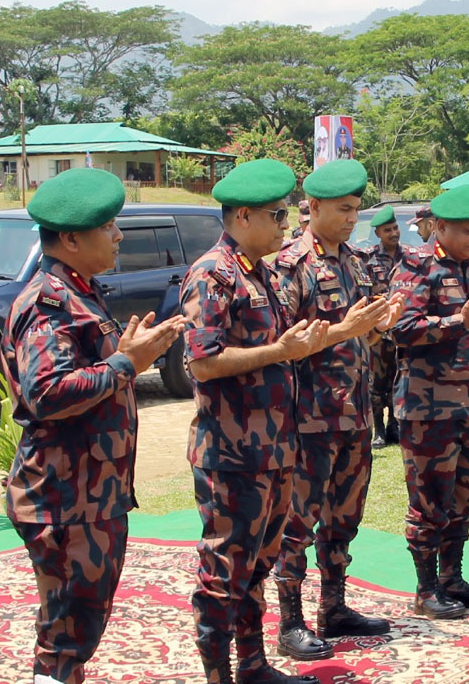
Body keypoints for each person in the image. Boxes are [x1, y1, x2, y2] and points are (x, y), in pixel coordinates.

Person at [2, 168, 185, 684]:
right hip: (63, 497)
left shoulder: (80, 290)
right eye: (107, 227)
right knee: (65, 633)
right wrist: (126, 364)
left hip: (88, 492)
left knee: (75, 630)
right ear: (71, 238)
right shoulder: (49, 303)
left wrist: (131, 353)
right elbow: (46, 393)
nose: (119, 235)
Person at [180, 158, 329, 684]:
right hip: (231, 454)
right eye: (276, 215)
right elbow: (202, 361)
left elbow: (285, 348)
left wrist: (331, 335)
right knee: (224, 573)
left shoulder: (259, 272)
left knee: (257, 566)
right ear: (242, 216)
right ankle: (219, 675)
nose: (284, 226)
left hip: (274, 449)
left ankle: (252, 667)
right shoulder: (212, 274)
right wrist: (275, 352)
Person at [271, 160, 402, 660]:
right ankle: (290, 622)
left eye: (356, 211)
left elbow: (362, 333)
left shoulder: (354, 261)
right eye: (343, 210)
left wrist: (380, 324)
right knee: (298, 523)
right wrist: (346, 330)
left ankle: (334, 607)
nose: (352, 219)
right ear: (315, 208)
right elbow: (285, 344)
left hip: (354, 413)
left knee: (344, 517)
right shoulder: (292, 265)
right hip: (309, 418)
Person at [389, 184, 469, 619]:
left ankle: (452, 579)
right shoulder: (416, 267)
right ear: (439, 227)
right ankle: (426, 589)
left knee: (465, 495)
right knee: (430, 500)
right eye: (466, 231)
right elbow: (401, 329)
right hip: (428, 407)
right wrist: (456, 321)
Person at [365, 205, 407, 449]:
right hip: (380, 331)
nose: (393, 233)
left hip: (402, 328)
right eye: (387, 230)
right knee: (377, 382)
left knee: (398, 378)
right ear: (378, 233)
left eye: (395, 228)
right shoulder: (369, 259)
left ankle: (395, 425)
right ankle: (378, 429)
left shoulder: (409, 257)